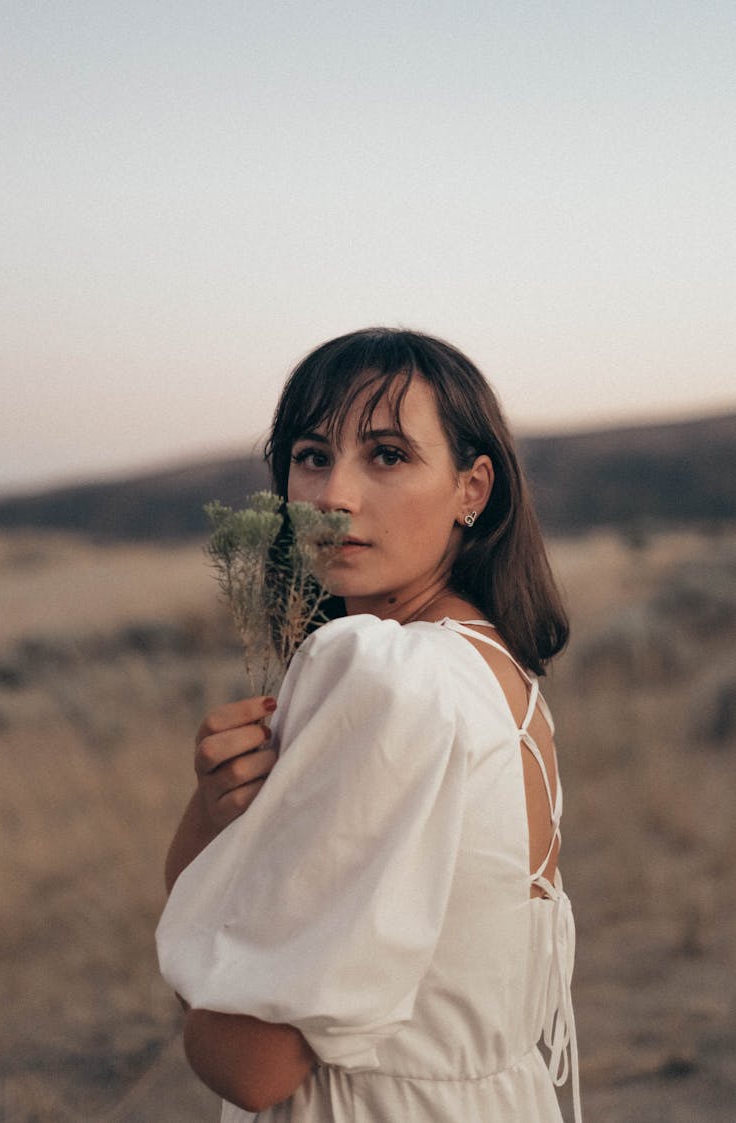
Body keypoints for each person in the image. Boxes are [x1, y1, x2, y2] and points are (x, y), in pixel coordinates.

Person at [156, 327, 582, 1122]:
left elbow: (251, 1061)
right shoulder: (497, 670)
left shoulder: (387, 674)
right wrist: (216, 807)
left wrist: (196, 1000)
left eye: (387, 454)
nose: (333, 496)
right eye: (312, 455)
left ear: (473, 489)